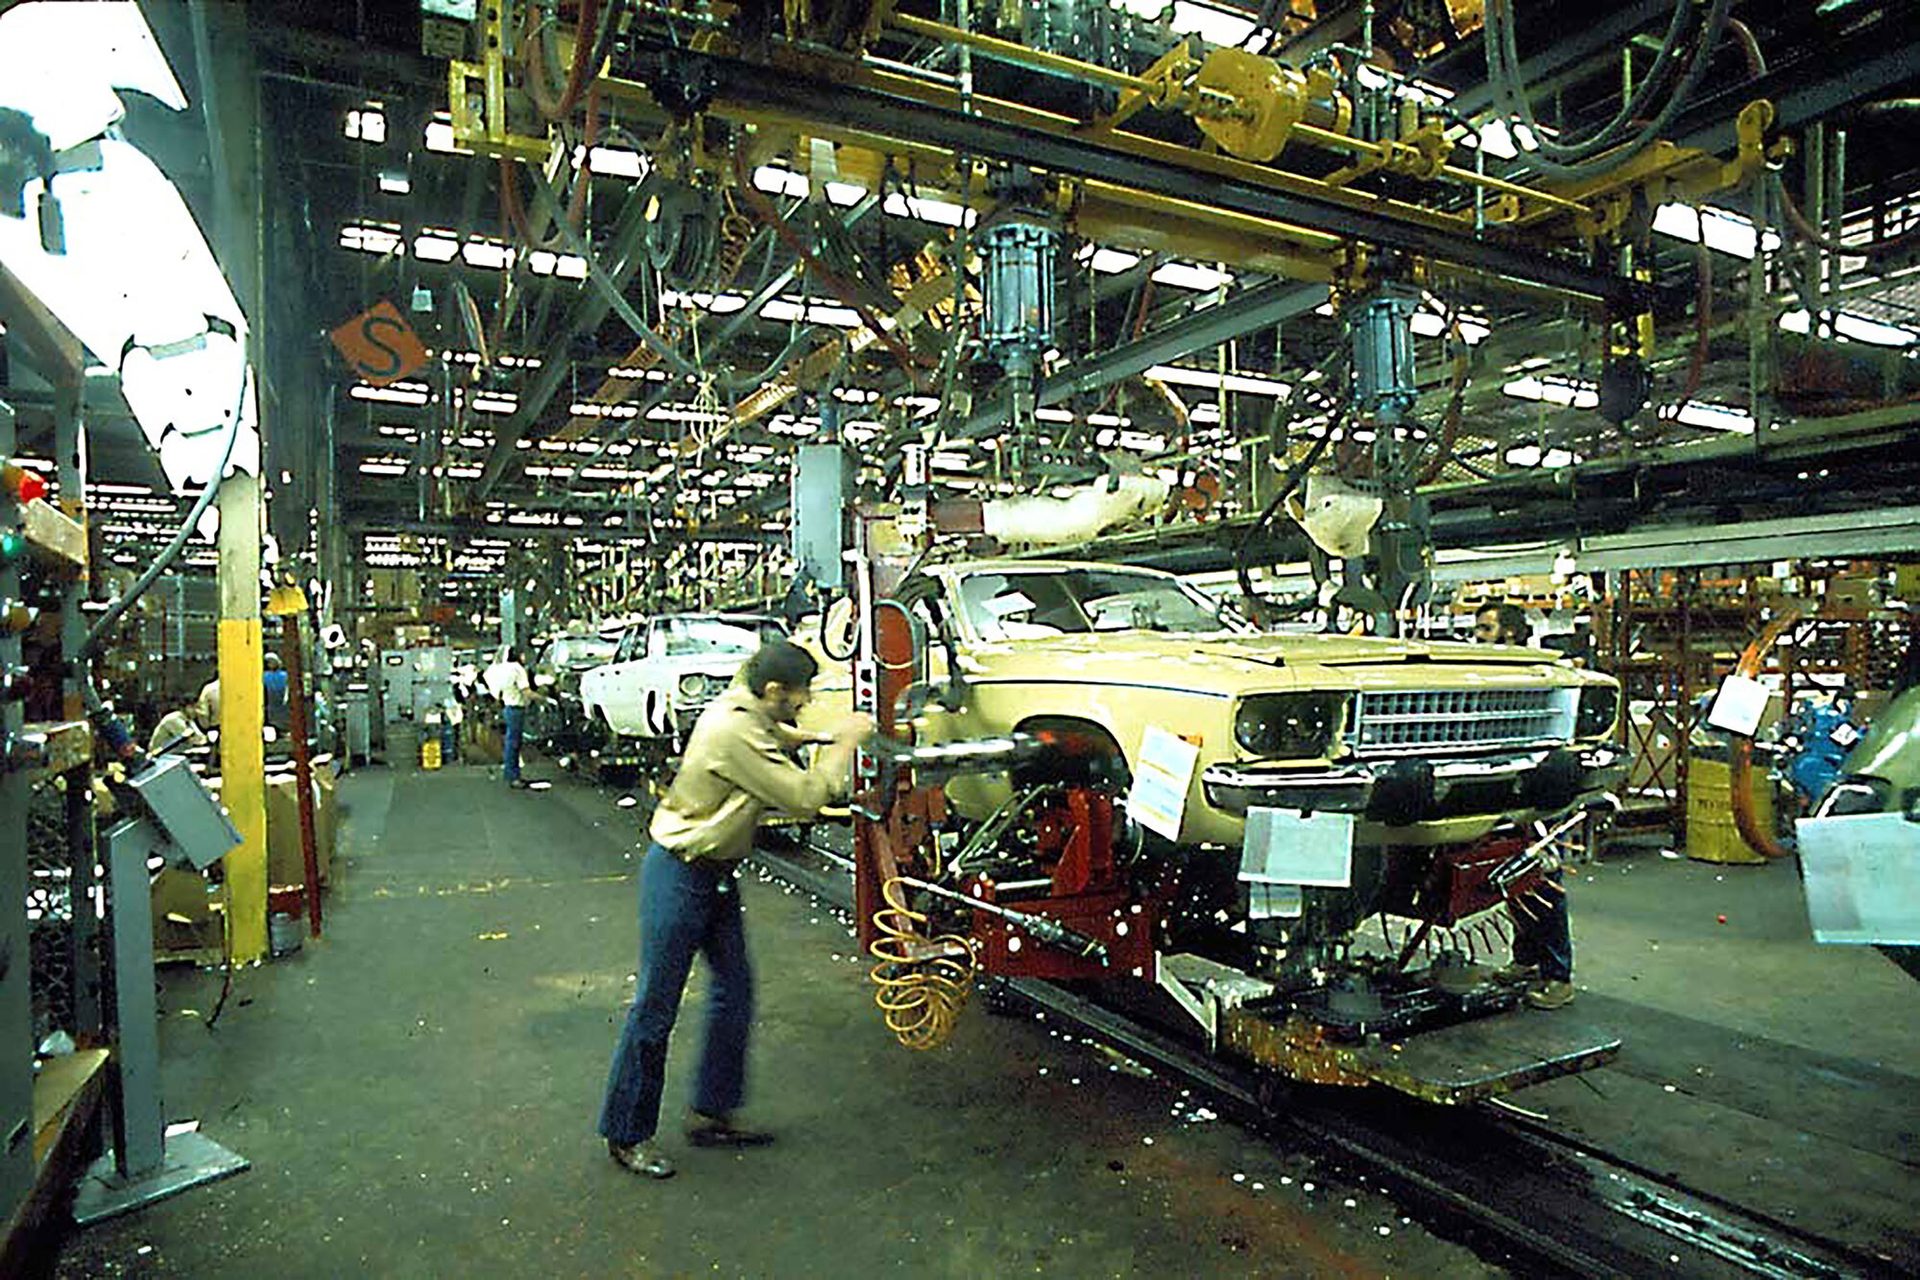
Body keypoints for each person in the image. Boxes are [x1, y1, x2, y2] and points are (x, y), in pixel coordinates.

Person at [598, 640, 873, 1180]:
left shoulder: (738, 703)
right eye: (800, 695)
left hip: (714, 873)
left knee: (735, 990)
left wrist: (821, 732)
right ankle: (626, 1133)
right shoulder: (732, 730)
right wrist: (845, 746)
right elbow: (806, 799)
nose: (805, 702)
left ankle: (711, 1112)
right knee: (656, 1007)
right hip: (680, 873)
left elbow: (775, 731)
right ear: (773, 690)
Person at [1473, 600, 1576, 1010]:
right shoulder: (1481, 673)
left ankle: (1558, 976)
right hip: (1502, 789)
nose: (1475, 637)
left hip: (1537, 790)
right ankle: (1526, 960)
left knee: (1542, 881)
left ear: (1510, 633)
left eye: (1485, 629)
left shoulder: (1538, 673)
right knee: (1512, 880)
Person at [485, 646, 533, 787]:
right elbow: (526, 691)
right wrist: (544, 699)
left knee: (510, 742)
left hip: (508, 708)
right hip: (516, 708)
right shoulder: (518, 669)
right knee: (514, 743)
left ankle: (510, 773)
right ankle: (514, 777)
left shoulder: (503, 669)